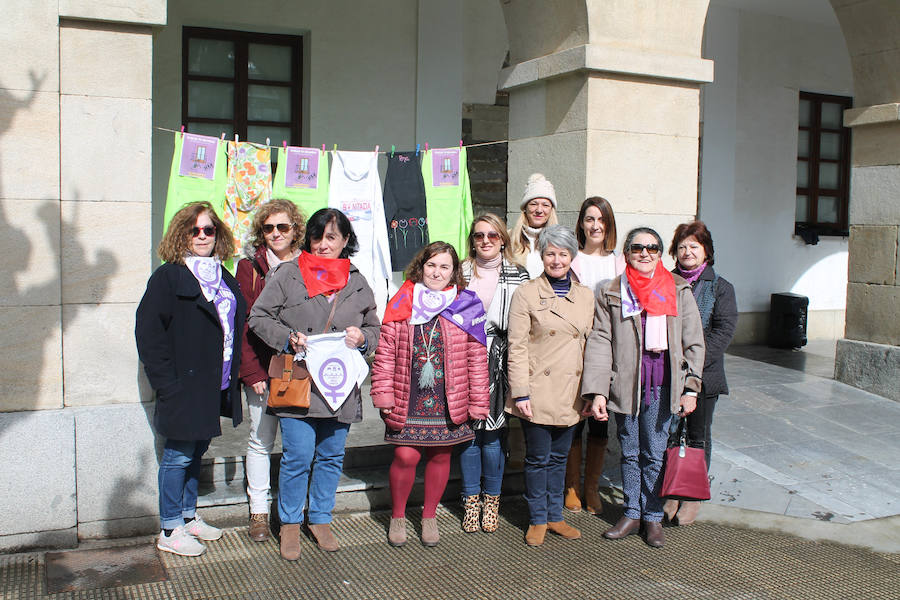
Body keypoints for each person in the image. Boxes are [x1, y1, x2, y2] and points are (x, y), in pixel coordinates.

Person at [248, 208, 380, 560]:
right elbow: (258, 316)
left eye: (332, 237)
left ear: (345, 241)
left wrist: (362, 339)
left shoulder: (357, 280)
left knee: (332, 455)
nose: (323, 245)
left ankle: (320, 517)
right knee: (298, 456)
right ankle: (290, 522)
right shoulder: (289, 274)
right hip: (299, 380)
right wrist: (287, 337)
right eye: (318, 237)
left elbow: (375, 329)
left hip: (339, 385)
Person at [582, 227, 705, 548]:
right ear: (626, 253)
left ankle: (652, 516)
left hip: (664, 385)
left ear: (661, 253)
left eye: (653, 248)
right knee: (630, 451)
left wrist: (691, 388)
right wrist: (598, 389)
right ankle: (631, 512)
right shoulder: (612, 291)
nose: (645, 253)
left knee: (653, 453)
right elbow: (600, 341)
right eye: (638, 248)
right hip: (626, 383)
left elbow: (694, 343)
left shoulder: (678, 289)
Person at [136, 201, 245, 557]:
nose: (201, 236)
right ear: (181, 234)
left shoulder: (222, 275)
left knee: (198, 449)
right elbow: (149, 335)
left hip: (216, 380)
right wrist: (167, 385)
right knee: (179, 455)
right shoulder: (169, 276)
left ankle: (187, 514)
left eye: (208, 230)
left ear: (218, 235)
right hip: (184, 385)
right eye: (194, 230)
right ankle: (169, 528)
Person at [371, 242, 490, 548]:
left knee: (440, 455)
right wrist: (382, 393)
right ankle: (398, 516)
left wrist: (479, 402)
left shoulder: (467, 304)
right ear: (420, 267)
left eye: (444, 266)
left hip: (448, 395)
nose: (437, 272)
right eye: (431, 265)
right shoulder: (402, 300)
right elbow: (384, 353)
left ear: (454, 272)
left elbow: (477, 359)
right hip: (407, 393)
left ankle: (429, 516)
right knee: (404, 455)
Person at [506, 225, 595, 546]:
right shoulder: (526, 293)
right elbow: (516, 346)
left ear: (572, 256)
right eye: (550, 253)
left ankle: (555, 515)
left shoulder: (585, 296)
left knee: (560, 458)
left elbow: (592, 347)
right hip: (536, 390)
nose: (556, 260)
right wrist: (520, 392)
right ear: (541, 255)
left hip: (572, 392)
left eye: (563, 253)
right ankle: (537, 518)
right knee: (538, 458)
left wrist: (591, 391)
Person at [235, 199, 306, 541]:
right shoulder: (250, 268)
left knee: (298, 444)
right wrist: (252, 373)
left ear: (295, 230)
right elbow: (242, 326)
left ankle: (294, 512)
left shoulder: (310, 264)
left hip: (302, 370)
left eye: (283, 227)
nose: (276, 234)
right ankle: (259, 512)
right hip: (264, 369)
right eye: (268, 228)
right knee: (261, 440)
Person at [459, 214, 529, 533]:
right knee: (468, 436)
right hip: (464, 359)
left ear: (502, 239)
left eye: (492, 235)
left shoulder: (519, 275)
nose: (485, 241)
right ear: (472, 240)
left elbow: (527, 325)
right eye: (479, 236)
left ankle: (492, 500)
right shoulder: (460, 271)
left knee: (492, 436)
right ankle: (470, 501)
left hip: (500, 362)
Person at [663, 220, 737, 526]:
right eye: (682, 247)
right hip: (667, 371)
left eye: (694, 245)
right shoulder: (665, 282)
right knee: (668, 433)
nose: (687, 252)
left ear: (706, 251)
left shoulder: (721, 287)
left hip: (705, 375)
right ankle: (671, 491)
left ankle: (692, 497)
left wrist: (692, 362)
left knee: (697, 435)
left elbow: (724, 331)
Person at [566, 197, 626, 515]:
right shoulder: (571, 260)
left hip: (606, 350)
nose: (595, 225)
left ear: (609, 224)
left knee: (601, 420)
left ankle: (592, 487)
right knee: (576, 417)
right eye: (589, 219)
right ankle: (572, 485)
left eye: (601, 219)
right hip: (574, 350)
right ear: (581, 224)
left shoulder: (619, 264)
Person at [509, 173, 559, 278]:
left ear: (551, 210)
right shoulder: (509, 238)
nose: (539, 210)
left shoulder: (561, 241)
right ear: (525, 208)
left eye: (545, 205)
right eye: (533, 204)